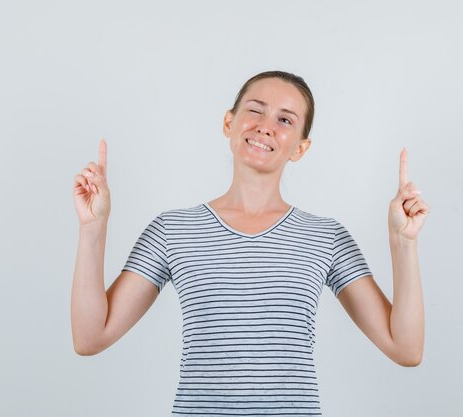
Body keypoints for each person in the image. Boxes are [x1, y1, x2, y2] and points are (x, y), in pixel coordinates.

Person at [70, 70, 430, 416]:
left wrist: (402, 243)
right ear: (229, 122)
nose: (265, 126)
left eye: (285, 120)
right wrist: (93, 227)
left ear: (300, 148)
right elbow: (90, 338)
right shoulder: (172, 230)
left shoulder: (326, 237)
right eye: (255, 110)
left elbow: (405, 348)